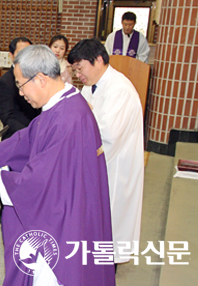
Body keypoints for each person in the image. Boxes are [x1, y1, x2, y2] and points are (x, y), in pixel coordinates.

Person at [0, 45, 115, 285]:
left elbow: (42, 182)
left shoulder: (67, 119)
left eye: (21, 85)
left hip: (64, 222)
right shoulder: (64, 104)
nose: (21, 94)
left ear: (40, 79)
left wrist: (1, 178)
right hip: (72, 208)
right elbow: (28, 138)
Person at [68, 38, 144, 267]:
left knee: (110, 223)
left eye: (80, 68)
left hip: (115, 167)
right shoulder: (93, 85)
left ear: (98, 60)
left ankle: (105, 271)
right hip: (100, 165)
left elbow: (108, 133)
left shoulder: (119, 88)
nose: (78, 75)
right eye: (75, 70)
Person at [0, 37, 39, 141]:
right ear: (11, 55)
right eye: (21, 53)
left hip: (37, 133)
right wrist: (29, 133)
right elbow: (7, 117)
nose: (25, 57)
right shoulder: (5, 82)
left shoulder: (38, 76)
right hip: (17, 137)